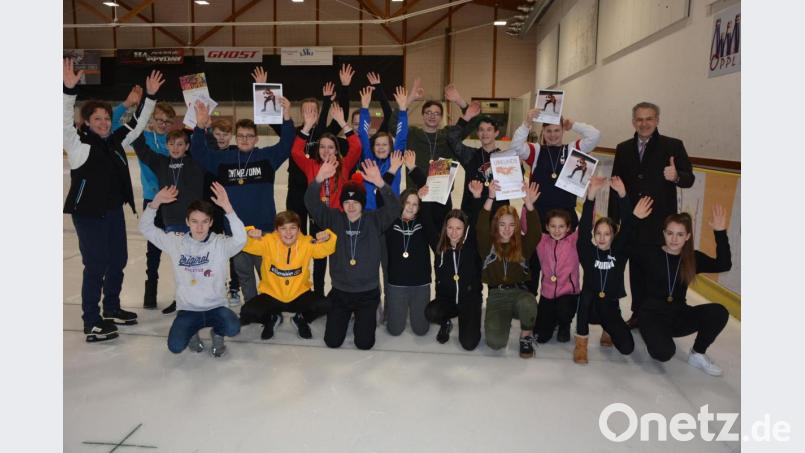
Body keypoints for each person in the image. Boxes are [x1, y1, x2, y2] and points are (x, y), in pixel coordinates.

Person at [63, 58, 163, 342]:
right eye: (98, 119)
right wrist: (68, 91)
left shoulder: (116, 140)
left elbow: (139, 122)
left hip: (113, 211)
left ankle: (112, 308)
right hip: (88, 214)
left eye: (107, 119)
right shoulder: (77, 145)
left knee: (117, 259)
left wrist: (151, 97)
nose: (104, 123)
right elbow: (61, 123)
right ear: (87, 122)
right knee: (96, 265)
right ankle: (92, 321)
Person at [190, 98, 296, 310]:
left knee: (267, 274)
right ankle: (253, 309)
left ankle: (270, 311)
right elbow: (199, 153)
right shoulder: (223, 160)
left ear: (256, 139)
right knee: (245, 275)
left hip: (264, 230)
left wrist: (287, 118)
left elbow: (286, 144)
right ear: (236, 138)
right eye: (241, 136)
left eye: (249, 136)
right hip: (236, 234)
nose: (245, 139)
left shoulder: (267, 158)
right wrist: (200, 126)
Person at [608, 102, 695, 328]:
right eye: (639, 119)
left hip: (660, 226)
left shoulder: (672, 146)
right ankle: (638, 314)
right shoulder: (623, 148)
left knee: (657, 273)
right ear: (633, 122)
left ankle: (659, 315)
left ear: (657, 120)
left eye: (649, 119)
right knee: (636, 270)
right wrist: (612, 220)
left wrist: (676, 176)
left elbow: (689, 178)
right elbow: (615, 184)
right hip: (633, 221)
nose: (644, 123)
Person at [139, 183, 246, 357]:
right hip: (188, 309)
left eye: (204, 222)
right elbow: (146, 229)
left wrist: (228, 208)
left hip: (216, 308)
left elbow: (241, 239)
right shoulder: (176, 242)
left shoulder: (220, 244)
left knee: (233, 327)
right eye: (194, 221)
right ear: (187, 222)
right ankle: (191, 333)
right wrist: (155, 203)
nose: (199, 227)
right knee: (175, 346)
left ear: (211, 222)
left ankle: (217, 334)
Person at [304, 159, 401, 350]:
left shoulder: (374, 220)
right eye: (346, 202)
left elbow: (394, 208)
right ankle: (346, 317)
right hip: (340, 292)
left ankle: (363, 317)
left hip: (367, 294)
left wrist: (380, 183)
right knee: (332, 342)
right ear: (341, 204)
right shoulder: (334, 219)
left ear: (362, 203)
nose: (350, 206)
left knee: (364, 344)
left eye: (355, 202)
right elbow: (311, 203)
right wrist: (318, 179)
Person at [508, 108, 601, 294]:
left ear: (563, 131)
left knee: (561, 261)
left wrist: (573, 124)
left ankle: (561, 298)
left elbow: (594, 135)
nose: (552, 135)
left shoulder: (572, 149)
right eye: (548, 131)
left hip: (565, 218)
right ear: (543, 132)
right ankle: (530, 301)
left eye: (557, 130)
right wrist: (527, 122)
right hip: (538, 216)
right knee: (534, 260)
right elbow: (517, 145)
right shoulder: (536, 150)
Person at [635, 206, 732, 376]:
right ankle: (652, 335)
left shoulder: (692, 258)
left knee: (719, 312)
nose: (674, 239)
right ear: (663, 233)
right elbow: (623, 246)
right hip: (651, 315)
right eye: (670, 233)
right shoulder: (650, 253)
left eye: (680, 234)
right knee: (663, 353)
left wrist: (720, 232)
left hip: (678, 315)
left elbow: (724, 265)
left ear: (687, 237)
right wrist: (635, 219)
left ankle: (697, 353)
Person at [573, 176, 652, 363]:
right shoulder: (587, 251)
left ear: (613, 236)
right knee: (584, 299)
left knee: (627, 348)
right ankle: (581, 344)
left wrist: (623, 195)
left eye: (607, 234)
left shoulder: (619, 252)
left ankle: (608, 330)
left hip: (609, 308)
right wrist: (591, 196)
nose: (602, 238)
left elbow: (628, 229)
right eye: (598, 233)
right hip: (590, 307)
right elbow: (584, 227)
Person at [112, 87, 177, 310]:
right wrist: (128, 104)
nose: (162, 124)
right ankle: (151, 292)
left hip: (176, 200)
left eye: (167, 121)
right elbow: (115, 127)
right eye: (159, 119)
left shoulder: (176, 141)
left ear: (172, 123)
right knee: (153, 251)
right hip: (152, 200)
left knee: (181, 248)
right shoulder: (141, 136)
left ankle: (183, 294)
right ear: (151, 119)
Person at [132, 130, 207, 312]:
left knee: (197, 266)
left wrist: (201, 126)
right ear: (166, 145)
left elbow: (204, 144)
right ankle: (180, 300)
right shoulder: (161, 163)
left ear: (187, 147)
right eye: (172, 144)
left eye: (180, 144)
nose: (175, 148)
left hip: (195, 224)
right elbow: (141, 148)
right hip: (172, 224)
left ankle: (200, 301)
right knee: (181, 267)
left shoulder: (196, 162)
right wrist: (139, 121)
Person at [238, 211, 337, 340]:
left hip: (299, 295)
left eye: (293, 228)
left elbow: (326, 249)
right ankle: (271, 318)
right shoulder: (267, 242)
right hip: (272, 295)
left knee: (326, 304)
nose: (288, 233)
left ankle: (300, 318)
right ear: (277, 230)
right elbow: (244, 243)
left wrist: (328, 237)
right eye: (283, 229)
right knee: (247, 312)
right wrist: (248, 232)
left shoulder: (306, 243)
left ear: (299, 229)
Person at [476, 180, 542, 358]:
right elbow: (481, 226)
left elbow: (535, 233)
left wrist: (529, 205)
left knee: (529, 305)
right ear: (496, 224)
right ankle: (504, 318)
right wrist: (490, 197)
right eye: (502, 224)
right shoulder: (487, 246)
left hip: (519, 292)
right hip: (497, 296)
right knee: (495, 343)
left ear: (516, 227)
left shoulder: (522, 246)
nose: (506, 229)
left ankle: (526, 335)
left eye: (511, 225)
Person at [421, 181, 485, 349]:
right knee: (431, 312)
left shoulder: (471, 244)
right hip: (447, 299)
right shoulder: (439, 245)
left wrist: (477, 197)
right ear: (445, 228)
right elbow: (427, 222)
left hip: (469, 299)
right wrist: (425, 199)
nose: (454, 232)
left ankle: (468, 319)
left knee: (469, 343)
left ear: (465, 230)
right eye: (450, 228)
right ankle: (446, 322)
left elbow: (478, 219)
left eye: (459, 228)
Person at [383, 155, 431, 337]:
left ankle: (415, 310)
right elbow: (381, 196)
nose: (411, 207)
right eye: (407, 203)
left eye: (415, 204)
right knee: (395, 330)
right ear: (401, 203)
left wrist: (413, 169)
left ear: (420, 207)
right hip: (397, 284)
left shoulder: (424, 223)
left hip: (421, 284)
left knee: (421, 330)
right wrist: (392, 170)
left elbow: (432, 191)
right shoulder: (390, 221)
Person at [533, 208, 580, 345]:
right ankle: (552, 320)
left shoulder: (573, 242)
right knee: (540, 337)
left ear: (568, 227)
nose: (557, 230)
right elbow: (527, 224)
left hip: (567, 293)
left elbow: (587, 223)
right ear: (547, 227)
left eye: (561, 226)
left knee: (564, 309)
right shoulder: (542, 242)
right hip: (547, 294)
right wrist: (528, 204)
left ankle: (564, 324)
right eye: (553, 226)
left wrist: (590, 199)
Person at [358, 85, 409, 210]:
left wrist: (402, 110)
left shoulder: (395, 159)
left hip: (390, 212)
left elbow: (401, 137)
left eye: (385, 144)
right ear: (373, 147)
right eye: (378, 144)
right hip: (369, 214)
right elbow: (363, 135)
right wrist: (364, 108)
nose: (381, 148)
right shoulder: (368, 160)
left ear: (391, 147)